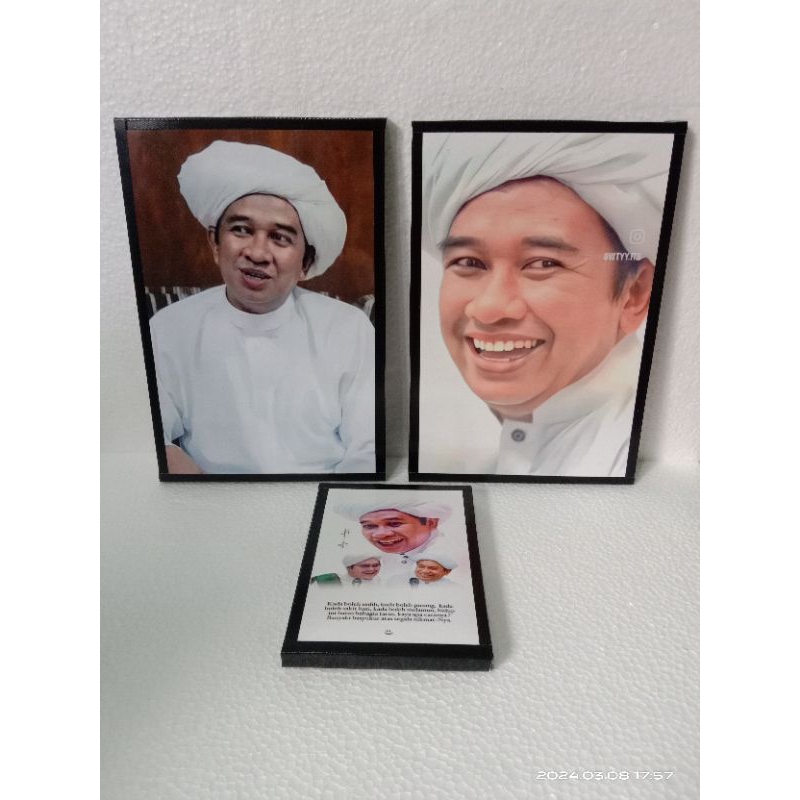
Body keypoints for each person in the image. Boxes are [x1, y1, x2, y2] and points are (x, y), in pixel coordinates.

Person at [419, 131, 674, 477]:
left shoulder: (647, 456)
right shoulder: (441, 443)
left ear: (634, 294)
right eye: (468, 262)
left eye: (543, 264)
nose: (489, 308)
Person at [149, 139, 375, 474]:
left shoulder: (348, 328)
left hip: (323, 491)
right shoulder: (169, 327)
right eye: (241, 230)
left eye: (280, 237)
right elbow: (149, 435)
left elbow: (369, 448)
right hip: (212, 495)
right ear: (215, 243)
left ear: (305, 263)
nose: (257, 253)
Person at [334, 496, 452, 579]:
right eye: (369, 526)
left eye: (394, 523)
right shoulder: (377, 557)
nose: (380, 534)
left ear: (431, 522)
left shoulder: (450, 555)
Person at [310, 553, 382, 588]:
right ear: (349, 567)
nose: (371, 569)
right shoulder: (324, 581)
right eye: (365, 566)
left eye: (376, 565)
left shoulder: (382, 582)